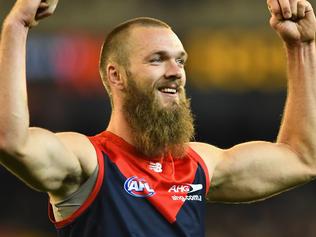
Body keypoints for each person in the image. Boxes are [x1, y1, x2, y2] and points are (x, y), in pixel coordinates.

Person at [1, 0, 316, 236]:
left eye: (180, 61)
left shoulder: (197, 166)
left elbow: (303, 158)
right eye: (157, 59)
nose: (176, 72)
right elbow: (13, 142)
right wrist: (17, 25)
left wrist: (301, 47)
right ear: (116, 76)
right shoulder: (90, 163)